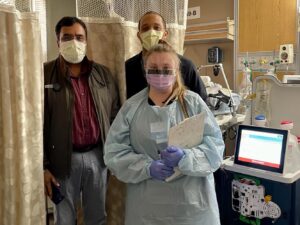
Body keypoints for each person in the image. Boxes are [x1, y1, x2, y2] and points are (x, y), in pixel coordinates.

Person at [104, 44, 224, 225]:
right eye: (154, 69)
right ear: (145, 71)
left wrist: (187, 157)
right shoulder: (131, 108)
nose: (160, 74)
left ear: (176, 70)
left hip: (191, 206)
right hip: (147, 208)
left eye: (167, 69)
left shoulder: (193, 103)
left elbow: (214, 149)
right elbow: (114, 153)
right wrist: (146, 167)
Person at [43, 16, 119, 225]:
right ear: (58, 41)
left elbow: (114, 115)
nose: (73, 42)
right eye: (67, 37)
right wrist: (44, 167)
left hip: (98, 156)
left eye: (79, 37)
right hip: (62, 160)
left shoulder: (102, 74)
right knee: (64, 220)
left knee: (97, 217)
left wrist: (113, 153)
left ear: (86, 41)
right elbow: (35, 127)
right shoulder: (45, 75)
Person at [125, 11, 207, 101]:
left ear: (165, 34)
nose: (151, 32)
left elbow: (201, 102)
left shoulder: (186, 66)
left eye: (157, 28)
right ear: (139, 35)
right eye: (145, 28)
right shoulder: (128, 68)